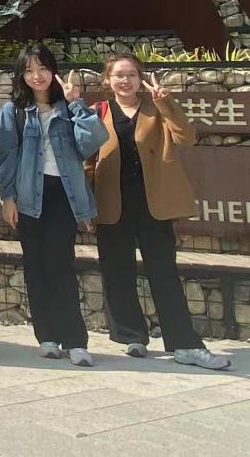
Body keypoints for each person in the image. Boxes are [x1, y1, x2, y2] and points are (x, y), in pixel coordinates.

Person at [90, 53, 231, 370]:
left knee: (164, 274)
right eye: (118, 75)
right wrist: (86, 204)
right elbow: (88, 158)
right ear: (107, 80)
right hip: (112, 205)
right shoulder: (98, 111)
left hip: (153, 205)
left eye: (131, 74)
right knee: (117, 274)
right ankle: (132, 336)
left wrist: (167, 103)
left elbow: (186, 137)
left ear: (140, 78)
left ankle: (185, 344)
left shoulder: (156, 108)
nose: (125, 80)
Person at [0, 44, 107, 367]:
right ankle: (46, 336)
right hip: (29, 196)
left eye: (42, 68)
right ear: (21, 75)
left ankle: (75, 341)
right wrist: (8, 197)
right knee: (36, 266)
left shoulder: (68, 107)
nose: (37, 76)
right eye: (29, 70)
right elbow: (5, 157)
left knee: (61, 264)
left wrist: (77, 104)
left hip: (63, 194)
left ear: (53, 70)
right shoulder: (14, 111)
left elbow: (93, 141)